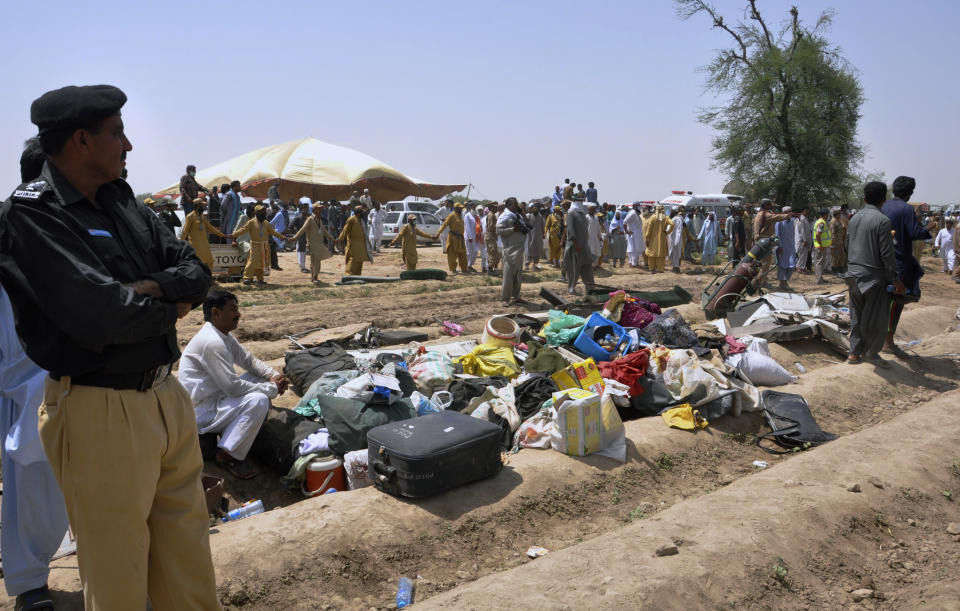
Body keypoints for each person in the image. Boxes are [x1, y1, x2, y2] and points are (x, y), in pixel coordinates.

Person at [0, 84, 220, 610]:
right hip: (100, 410)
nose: (128, 145)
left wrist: (150, 290)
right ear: (80, 140)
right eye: (116, 132)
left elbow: (197, 271)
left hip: (165, 397)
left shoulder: (123, 200)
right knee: (118, 579)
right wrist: (169, 300)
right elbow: (101, 316)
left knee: (188, 568)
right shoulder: (32, 214)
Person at [0, 138, 70, 611]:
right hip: (23, 383)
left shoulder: (73, 224)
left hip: (77, 380)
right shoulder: (9, 228)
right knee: (31, 488)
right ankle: (29, 586)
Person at [179, 290, 288, 479]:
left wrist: (273, 376)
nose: (238, 314)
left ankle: (231, 433)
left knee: (260, 380)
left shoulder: (223, 335)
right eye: (233, 309)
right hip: (202, 411)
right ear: (215, 312)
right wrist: (271, 388)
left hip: (215, 398)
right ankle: (226, 455)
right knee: (259, 401)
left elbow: (248, 360)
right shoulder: (211, 342)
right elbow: (233, 387)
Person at [845, 182, 905, 367]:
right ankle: (871, 353)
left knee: (856, 315)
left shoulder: (854, 218)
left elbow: (846, 246)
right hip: (873, 278)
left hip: (853, 274)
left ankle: (854, 353)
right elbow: (887, 255)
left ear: (864, 198)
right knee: (878, 318)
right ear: (884, 200)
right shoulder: (883, 221)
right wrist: (896, 280)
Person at [882, 176, 932, 357]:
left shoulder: (884, 206)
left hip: (879, 262)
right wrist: (929, 228)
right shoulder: (906, 209)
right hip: (899, 263)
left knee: (882, 302)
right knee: (896, 302)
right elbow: (914, 233)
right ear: (910, 192)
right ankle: (888, 342)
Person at [234, 204, 287, 285]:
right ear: (257, 213)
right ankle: (247, 278)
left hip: (264, 246)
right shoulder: (251, 222)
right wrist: (234, 235)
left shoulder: (266, 223)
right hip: (255, 245)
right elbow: (243, 230)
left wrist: (283, 237)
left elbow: (273, 232)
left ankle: (260, 279)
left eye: (264, 211)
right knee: (252, 262)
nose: (264, 213)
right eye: (261, 211)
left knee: (262, 263)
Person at [287, 203, 336, 284]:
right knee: (314, 262)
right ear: (315, 209)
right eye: (319, 208)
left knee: (317, 262)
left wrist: (333, 239)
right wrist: (294, 237)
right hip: (312, 244)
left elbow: (325, 232)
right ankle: (314, 278)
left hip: (320, 244)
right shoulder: (310, 219)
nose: (321, 210)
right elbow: (302, 229)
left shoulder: (319, 220)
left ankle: (314, 277)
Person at [181, 196, 229, 270]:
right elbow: (185, 231)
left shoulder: (202, 216)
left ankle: (208, 277)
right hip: (195, 245)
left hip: (204, 243)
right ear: (197, 206)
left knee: (209, 261)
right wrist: (181, 243)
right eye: (202, 206)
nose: (203, 207)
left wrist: (222, 235)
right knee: (197, 262)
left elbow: (210, 227)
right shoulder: (189, 216)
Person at [497, 197, 528, 306]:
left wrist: (522, 215)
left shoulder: (517, 216)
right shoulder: (504, 217)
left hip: (519, 250)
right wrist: (513, 229)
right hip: (510, 250)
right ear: (508, 205)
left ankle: (516, 297)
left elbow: (527, 227)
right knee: (508, 275)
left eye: (517, 203)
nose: (517, 205)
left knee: (518, 275)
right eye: (514, 204)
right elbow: (498, 230)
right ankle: (505, 299)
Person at [564, 199, 594, 295]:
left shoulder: (582, 214)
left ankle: (590, 289)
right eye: (579, 201)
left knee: (587, 267)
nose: (581, 203)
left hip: (584, 247)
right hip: (575, 248)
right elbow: (571, 232)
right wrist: (576, 245)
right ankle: (571, 288)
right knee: (574, 269)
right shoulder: (571, 214)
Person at [434, 203, 469, 273]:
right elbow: (444, 225)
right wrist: (437, 234)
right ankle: (453, 269)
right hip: (453, 238)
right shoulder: (451, 215)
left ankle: (464, 269)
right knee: (452, 254)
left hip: (460, 238)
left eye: (461, 208)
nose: (461, 209)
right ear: (456, 208)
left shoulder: (461, 215)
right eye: (460, 208)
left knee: (463, 254)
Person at [337, 206, 373, 275]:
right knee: (353, 260)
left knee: (360, 261)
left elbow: (365, 234)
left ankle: (357, 276)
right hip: (353, 245)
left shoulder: (361, 221)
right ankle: (349, 276)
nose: (364, 213)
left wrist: (368, 243)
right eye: (362, 211)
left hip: (361, 246)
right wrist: (340, 239)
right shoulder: (352, 219)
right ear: (359, 212)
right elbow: (345, 230)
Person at [643, 204, 674, 272]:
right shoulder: (666, 217)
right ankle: (660, 269)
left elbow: (649, 229)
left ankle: (652, 268)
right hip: (662, 240)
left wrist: (647, 238)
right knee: (661, 253)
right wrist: (668, 232)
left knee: (652, 254)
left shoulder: (653, 217)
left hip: (652, 240)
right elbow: (672, 224)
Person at [775, 210, 797, 290]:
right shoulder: (779, 222)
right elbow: (777, 236)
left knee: (792, 265)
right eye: (788, 212)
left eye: (790, 211)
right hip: (782, 248)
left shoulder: (792, 222)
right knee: (782, 265)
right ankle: (783, 283)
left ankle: (785, 281)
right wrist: (780, 246)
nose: (790, 213)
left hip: (791, 247)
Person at [289, 200, 311, 273]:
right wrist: (296, 233)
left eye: (306, 209)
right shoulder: (298, 218)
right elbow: (290, 226)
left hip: (307, 238)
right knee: (301, 252)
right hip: (300, 238)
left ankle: (303, 266)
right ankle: (302, 267)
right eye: (304, 208)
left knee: (304, 252)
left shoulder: (309, 218)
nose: (305, 210)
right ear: (301, 210)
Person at [811, 208, 832, 284]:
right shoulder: (821, 223)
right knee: (820, 263)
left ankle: (820, 278)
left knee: (819, 262)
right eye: (828, 213)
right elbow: (818, 234)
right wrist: (821, 245)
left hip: (820, 246)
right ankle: (819, 279)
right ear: (826, 214)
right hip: (820, 246)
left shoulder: (820, 221)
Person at [524, 202, 545, 271]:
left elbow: (542, 226)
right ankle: (527, 265)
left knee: (537, 251)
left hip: (538, 236)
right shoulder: (529, 216)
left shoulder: (540, 217)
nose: (536, 209)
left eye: (537, 208)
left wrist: (543, 234)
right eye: (534, 208)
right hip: (530, 236)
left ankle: (535, 266)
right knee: (529, 250)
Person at [623, 203, 644, 269]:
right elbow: (624, 222)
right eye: (638, 206)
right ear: (635, 206)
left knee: (634, 249)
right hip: (633, 235)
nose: (639, 207)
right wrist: (626, 231)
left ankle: (633, 263)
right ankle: (633, 264)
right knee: (633, 249)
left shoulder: (636, 213)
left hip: (637, 235)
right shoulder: (632, 213)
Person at [484, 203, 501, 274]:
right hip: (491, 236)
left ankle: (491, 268)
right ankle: (490, 269)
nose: (497, 209)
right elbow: (491, 226)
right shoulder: (491, 215)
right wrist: (499, 226)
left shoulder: (492, 214)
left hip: (492, 236)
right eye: (495, 207)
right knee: (492, 252)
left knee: (494, 252)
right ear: (491, 208)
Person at [794, 208, 813, 273]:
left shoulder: (805, 219)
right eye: (806, 211)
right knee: (802, 255)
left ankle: (802, 267)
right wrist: (804, 240)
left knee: (805, 255)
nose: (807, 212)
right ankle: (799, 268)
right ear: (802, 211)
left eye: (808, 211)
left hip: (806, 239)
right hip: (802, 240)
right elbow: (802, 231)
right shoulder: (801, 220)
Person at [463, 204, 480, 270]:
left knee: (474, 251)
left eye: (474, 207)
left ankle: (470, 265)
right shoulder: (467, 215)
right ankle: (466, 266)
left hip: (474, 236)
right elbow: (467, 227)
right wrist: (470, 237)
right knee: (468, 252)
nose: (474, 208)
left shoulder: (474, 215)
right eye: (472, 207)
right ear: (469, 208)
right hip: (469, 237)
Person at [830, 208, 847, 274]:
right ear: (836, 215)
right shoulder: (833, 222)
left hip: (840, 242)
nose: (840, 215)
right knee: (835, 257)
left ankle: (841, 269)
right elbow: (833, 234)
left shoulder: (838, 221)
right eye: (839, 214)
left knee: (842, 256)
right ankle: (834, 270)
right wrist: (834, 244)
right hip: (835, 243)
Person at [668, 207, 685, 272]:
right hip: (672, 239)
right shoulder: (674, 218)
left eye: (671, 211)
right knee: (671, 254)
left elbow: (679, 230)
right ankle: (674, 267)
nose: (670, 212)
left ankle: (676, 268)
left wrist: (677, 241)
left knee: (675, 254)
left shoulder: (678, 219)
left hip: (675, 240)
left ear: (674, 211)